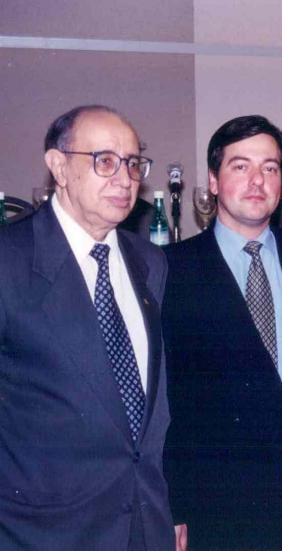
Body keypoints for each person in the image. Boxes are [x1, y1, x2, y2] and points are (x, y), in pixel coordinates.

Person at [162, 115, 282, 550]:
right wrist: (175, 504)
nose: (257, 180)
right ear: (213, 181)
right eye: (241, 166)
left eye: (270, 167)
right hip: (218, 507)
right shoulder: (172, 269)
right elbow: (168, 399)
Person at [0, 105, 175, 549]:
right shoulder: (9, 261)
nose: (124, 179)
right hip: (42, 533)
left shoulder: (150, 263)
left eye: (133, 163)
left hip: (144, 525)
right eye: (105, 161)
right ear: (59, 167)